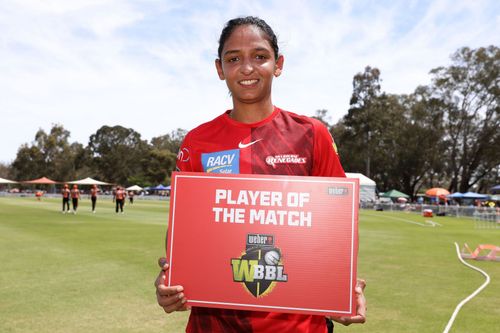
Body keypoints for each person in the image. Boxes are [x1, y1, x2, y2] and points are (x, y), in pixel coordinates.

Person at [155, 16, 366, 332]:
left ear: (278, 64)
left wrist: (340, 288)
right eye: (234, 58)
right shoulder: (197, 142)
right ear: (219, 68)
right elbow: (183, 234)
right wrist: (172, 279)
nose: (247, 68)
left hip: (299, 326)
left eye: (259, 56)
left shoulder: (311, 134)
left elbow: (337, 226)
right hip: (214, 324)